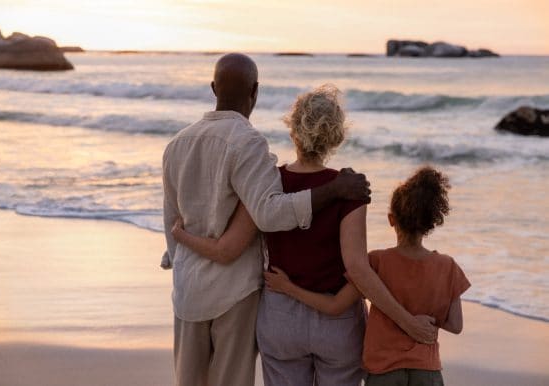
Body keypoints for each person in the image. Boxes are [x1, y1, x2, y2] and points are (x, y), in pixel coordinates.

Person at [170, 83, 439, 385]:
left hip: (280, 318)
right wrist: (407, 322)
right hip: (336, 322)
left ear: (293, 130)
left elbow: (228, 247)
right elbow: (357, 268)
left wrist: (180, 237)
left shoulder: (269, 183)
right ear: (336, 135)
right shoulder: (349, 190)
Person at [162, 54, 371, 386]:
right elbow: (270, 213)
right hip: (235, 292)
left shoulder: (177, 144)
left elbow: (171, 220)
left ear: (213, 88)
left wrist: (180, 262)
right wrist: (332, 190)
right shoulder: (248, 142)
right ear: (255, 91)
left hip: (196, 292)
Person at [265, 166, 471, 386]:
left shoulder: (376, 263)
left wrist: (288, 288)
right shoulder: (448, 267)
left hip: (384, 371)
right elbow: (455, 325)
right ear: (431, 224)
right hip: (427, 371)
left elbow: (335, 306)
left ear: (392, 219)